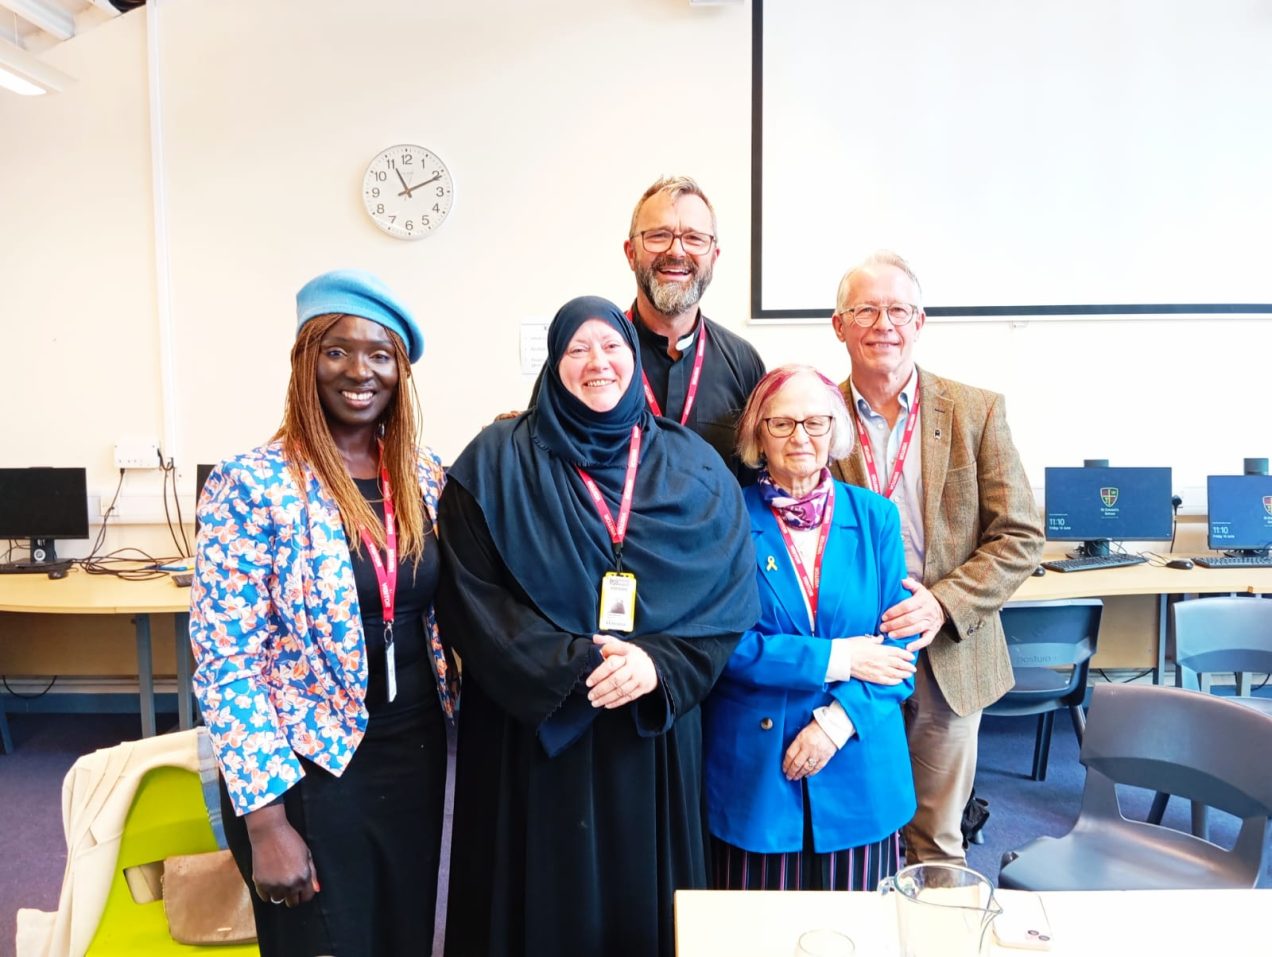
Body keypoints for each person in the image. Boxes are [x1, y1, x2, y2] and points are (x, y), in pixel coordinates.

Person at [438, 296, 759, 957]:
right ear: (554, 364)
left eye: (611, 346)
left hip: (651, 732)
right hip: (531, 732)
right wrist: (573, 663)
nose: (597, 362)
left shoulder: (694, 465)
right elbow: (472, 597)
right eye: (577, 349)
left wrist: (657, 666)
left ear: (633, 359)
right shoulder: (496, 461)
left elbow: (727, 598)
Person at [190, 269, 459, 956]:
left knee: (402, 935)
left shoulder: (422, 475)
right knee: (324, 942)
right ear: (306, 360)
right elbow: (228, 661)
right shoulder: (250, 483)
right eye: (338, 349)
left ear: (401, 371)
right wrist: (265, 822)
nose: (359, 371)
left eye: (380, 354)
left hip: (413, 750)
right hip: (309, 764)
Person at [828, 251, 1044, 865]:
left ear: (920, 322)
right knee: (857, 835)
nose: (883, 324)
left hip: (944, 653)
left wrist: (940, 604)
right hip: (852, 653)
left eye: (898, 309)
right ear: (839, 325)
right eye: (865, 309)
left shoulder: (976, 412)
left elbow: (1020, 535)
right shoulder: (815, 416)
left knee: (936, 841)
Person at [704, 365, 918, 891]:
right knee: (756, 933)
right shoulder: (725, 520)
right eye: (782, 424)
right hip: (759, 770)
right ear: (759, 434)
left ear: (835, 431)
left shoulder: (876, 517)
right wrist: (838, 658)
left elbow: (899, 645)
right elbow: (720, 646)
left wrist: (837, 723)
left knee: (858, 929)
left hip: (858, 756)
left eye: (816, 422)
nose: (801, 436)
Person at [519, 176, 765, 481]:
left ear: (713, 257)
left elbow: (756, 483)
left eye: (694, 238)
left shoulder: (743, 364)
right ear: (631, 253)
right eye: (659, 236)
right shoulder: (582, 360)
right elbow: (539, 466)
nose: (676, 251)